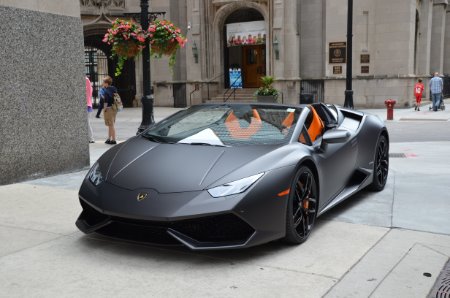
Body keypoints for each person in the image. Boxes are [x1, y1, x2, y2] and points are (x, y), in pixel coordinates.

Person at [101, 76, 118, 144]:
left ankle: (113, 140)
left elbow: (106, 101)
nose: (103, 83)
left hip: (109, 109)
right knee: (110, 124)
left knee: (111, 125)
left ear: (106, 83)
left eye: (103, 82)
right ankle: (109, 138)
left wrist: (104, 109)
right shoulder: (113, 88)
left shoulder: (106, 90)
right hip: (114, 108)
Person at [85, 76, 95, 143]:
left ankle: (91, 138)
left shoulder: (86, 79)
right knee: (87, 122)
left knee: (87, 122)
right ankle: (90, 138)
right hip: (88, 104)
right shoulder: (86, 80)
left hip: (87, 105)